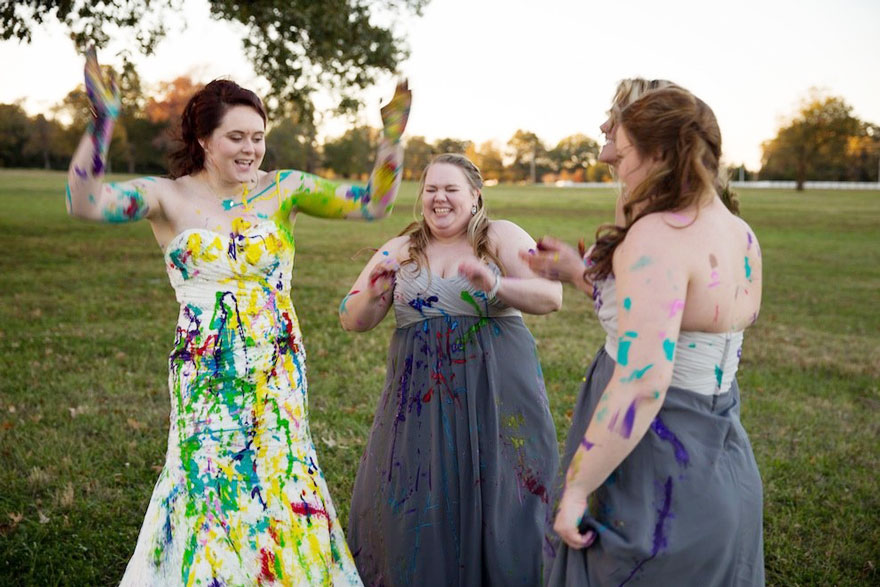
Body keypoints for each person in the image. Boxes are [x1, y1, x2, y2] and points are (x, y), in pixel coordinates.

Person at [65, 47, 411, 586]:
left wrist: (392, 138)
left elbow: (372, 203)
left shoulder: (284, 189)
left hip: (276, 370)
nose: (250, 149)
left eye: (258, 136)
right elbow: (85, 202)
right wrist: (103, 121)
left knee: (282, 479)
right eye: (236, 137)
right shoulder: (167, 197)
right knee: (208, 485)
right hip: (205, 375)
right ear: (205, 140)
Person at [535, 86, 765, 585]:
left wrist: (578, 488)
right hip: (724, 453)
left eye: (625, 153)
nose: (617, 166)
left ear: (658, 154)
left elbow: (643, 382)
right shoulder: (741, 233)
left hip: (659, 460)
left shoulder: (659, 236)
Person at [339, 153, 562, 586]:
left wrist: (496, 284)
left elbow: (551, 296)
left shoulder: (500, 236)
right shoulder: (401, 249)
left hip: (492, 394)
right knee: (420, 499)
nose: (439, 198)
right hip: (419, 400)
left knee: (500, 499)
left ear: (475, 196)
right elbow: (351, 319)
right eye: (431, 189)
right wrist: (374, 294)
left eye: (451, 189)